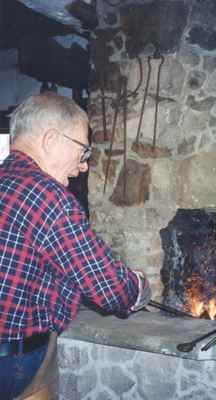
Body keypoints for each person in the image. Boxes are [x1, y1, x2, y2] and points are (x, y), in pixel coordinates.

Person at [0, 92, 151, 399]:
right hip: (13, 360)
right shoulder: (48, 197)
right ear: (52, 139)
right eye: (83, 151)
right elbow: (110, 289)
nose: (83, 166)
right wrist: (140, 288)